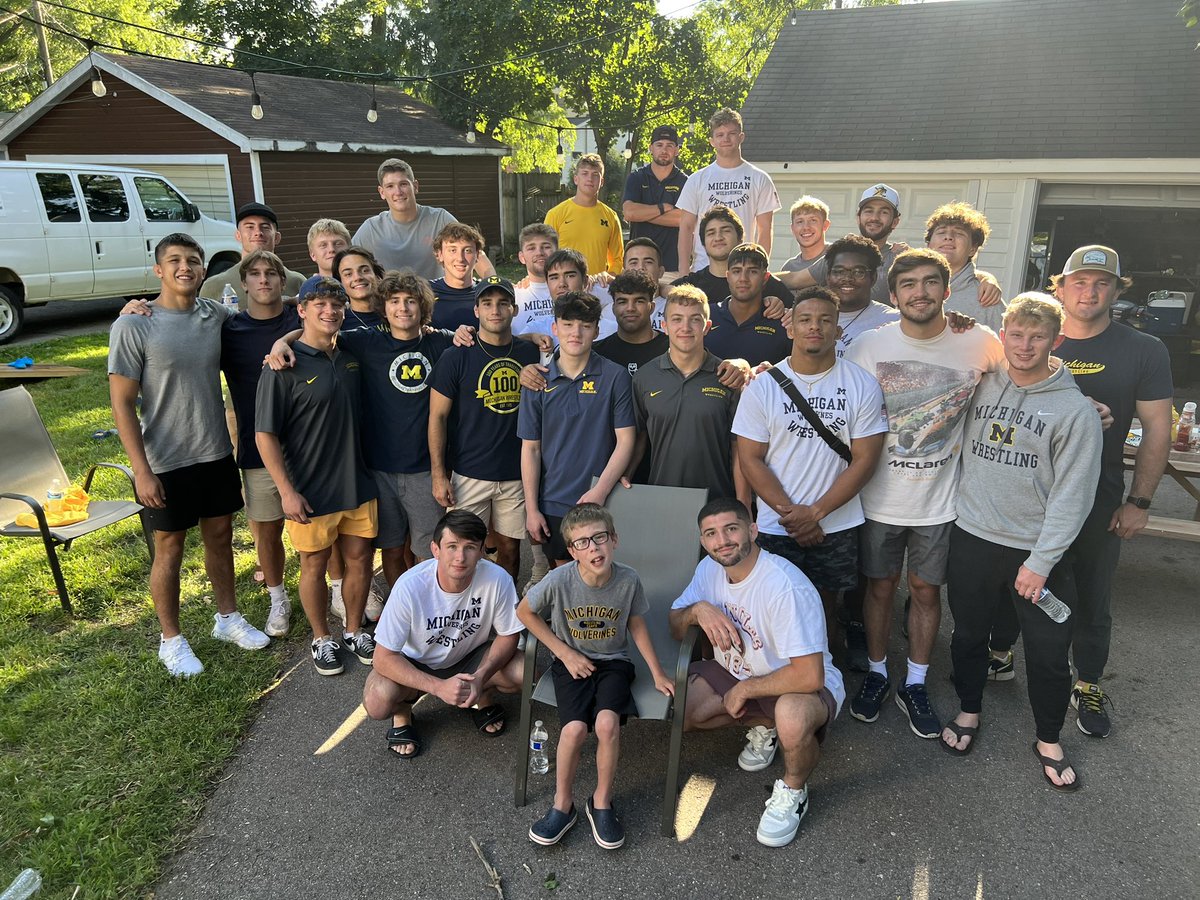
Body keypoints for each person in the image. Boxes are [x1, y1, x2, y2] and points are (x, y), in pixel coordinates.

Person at [987, 246, 1173, 738]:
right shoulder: (1032, 336)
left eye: (1101, 284)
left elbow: (1157, 429)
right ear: (1060, 287)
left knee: (1091, 592)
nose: (1089, 292)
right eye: (1079, 282)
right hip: (1024, 493)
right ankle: (1000, 652)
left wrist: (1139, 502)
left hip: (1098, 496)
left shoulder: (1143, 349)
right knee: (1014, 577)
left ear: (1116, 290)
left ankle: (1087, 681)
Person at [942, 293, 1102, 795]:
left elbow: (1073, 497)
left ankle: (1049, 738)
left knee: (1050, 649)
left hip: (1037, 552)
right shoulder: (981, 386)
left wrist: (1041, 561)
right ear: (1003, 335)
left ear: (1056, 341)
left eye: (1037, 337)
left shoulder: (1074, 412)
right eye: (1016, 334)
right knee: (969, 634)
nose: (1025, 345)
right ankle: (969, 710)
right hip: (972, 536)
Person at [844, 249, 1005, 739]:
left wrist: (1079, 400)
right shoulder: (868, 346)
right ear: (892, 296)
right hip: (877, 498)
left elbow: (1025, 372)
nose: (920, 292)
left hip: (941, 500)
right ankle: (876, 672)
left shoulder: (980, 341)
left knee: (926, 591)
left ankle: (914, 682)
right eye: (908, 284)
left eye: (930, 282)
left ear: (946, 289)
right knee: (879, 588)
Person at [109, 233, 271, 677]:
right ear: (158, 270)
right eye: (175, 261)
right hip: (164, 459)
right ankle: (171, 640)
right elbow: (122, 404)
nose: (186, 267)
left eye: (194, 261)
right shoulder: (134, 325)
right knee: (170, 547)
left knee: (220, 538)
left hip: (214, 450)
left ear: (203, 270)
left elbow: (263, 312)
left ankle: (227, 618)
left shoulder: (215, 315)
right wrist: (141, 472)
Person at [669, 498, 843, 849]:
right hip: (738, 674)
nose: (723, 540)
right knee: (682, 710)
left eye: (732, 528)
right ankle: (765, 726)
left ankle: (794, 791)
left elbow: (810, 676)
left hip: (797, 685)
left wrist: (747, 688)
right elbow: (674, 624)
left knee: (791, 715)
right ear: (703, 542)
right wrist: (698, 611)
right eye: (712, 534)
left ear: (753, 529)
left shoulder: (783, 586)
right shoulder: (709, 569)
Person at [734, 285, 888, 657]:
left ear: (838, 330)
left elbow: (866, 458)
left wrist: (815, 513)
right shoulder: (762, 387)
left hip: (835, 524)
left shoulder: (861, 384)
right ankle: (776, 689)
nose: (814, 327)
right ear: (790, 327)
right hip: (777, 524)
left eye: (824, 320)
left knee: (826, 611)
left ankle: (824, 688)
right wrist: (793, 515)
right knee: (772, 610)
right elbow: (750, 457)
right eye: (804, 320)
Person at [517, 503, 673, 849]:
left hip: (613, 663)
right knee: (572, 729)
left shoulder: (628, 579)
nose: (593, 548)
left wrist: (658, 672)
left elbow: (636, 623)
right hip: (570, 662)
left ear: (613, 540)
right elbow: (524, 612)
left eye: (599, 538)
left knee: (606, 725)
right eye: (583, 542)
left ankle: (601, 802)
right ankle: (563, 804)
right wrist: (565, 653)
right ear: (572, 551)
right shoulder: (559, 580)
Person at [255, 278, 378, 676]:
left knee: (360, 561)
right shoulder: (282, 367)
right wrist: (287, 492)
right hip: (310, 489)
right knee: (314, 565)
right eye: (319, 303)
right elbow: (265, 435)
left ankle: (355, 630)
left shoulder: (351, 352)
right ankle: (321, 638)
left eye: (336, 303)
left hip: (358, 482)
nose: (330, 310)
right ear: (302, 309)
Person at [362, 510, 524, 758]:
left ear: (482, 551)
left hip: (469, 656)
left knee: (524, 672)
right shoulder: (410, 586)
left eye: (470, 547)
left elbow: (508, 634)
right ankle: (403, 712)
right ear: (435, 549)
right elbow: (383, 658)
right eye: (452, 546)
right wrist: (438, 687)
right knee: (377, 702)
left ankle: (482, 695)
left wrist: (481, 676)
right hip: (415, 662)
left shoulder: (497, 578)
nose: (460, 557)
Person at [428, 276, 540, 581]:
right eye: (487, 303)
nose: (495, 310)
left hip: (515, 472)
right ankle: (465, 611)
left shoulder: (529, 353)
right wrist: (439, 475)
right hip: (468, 471)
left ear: (514, 310)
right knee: (463, 551)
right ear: (475, 310)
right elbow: (437, 417)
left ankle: (503, 608)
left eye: (503, 303)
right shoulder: (455, 356)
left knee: (510, 550)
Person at [518, 291, 635, 565]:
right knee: (566, 587)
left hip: (602, 500)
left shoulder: (615, 376)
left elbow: (626, 440)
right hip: (553, 502)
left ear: (596, 330)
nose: (576, 332)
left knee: (603, 582)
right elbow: (530, 449)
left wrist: (601, 490)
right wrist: (532, 508)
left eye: (585, 325)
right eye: (568, 324)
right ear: (555, 328)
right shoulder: (538, 380)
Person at [219, 251, 301, 637]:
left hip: (307, 445)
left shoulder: (298, 316)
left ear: (283, 283)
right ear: (244, 284)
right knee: (267, 532)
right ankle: (278, 599)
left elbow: (332, 320)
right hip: (257, 451)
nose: (264, 280)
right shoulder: (229, 330)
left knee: (322, 527)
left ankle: (338, 589)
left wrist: (287, 335)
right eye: (256, 274)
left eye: (272, 273)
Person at [778, 184, 1003, 310]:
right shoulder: (841, 255)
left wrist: (985, 279)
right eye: (869, 211)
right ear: (858, 217)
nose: (874, 218)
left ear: (895, 221)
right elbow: (794, 280)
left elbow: (945, 267)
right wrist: (750, 272)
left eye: (884, 212)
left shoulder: (903, 258)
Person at [630, 285, 746, 504]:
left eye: (694, 319)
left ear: (707, 326)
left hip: (717, 501)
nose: (685, 327)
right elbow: (637, 440)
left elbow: (738, 448)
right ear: (664, 326)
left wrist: (742, 502)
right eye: (676, 319)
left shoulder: (727, 377)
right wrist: (624, 478)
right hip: (661, 498)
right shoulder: (644, 377)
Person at [674, 108, 780, 274]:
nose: (726, 139)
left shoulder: (760, 178)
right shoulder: (696, 179)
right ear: (712, 141)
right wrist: (683, 272)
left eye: (731, 133)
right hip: (704, 268)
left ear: (741, 137)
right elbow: (686, 228)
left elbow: (765, 229)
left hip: (744, 270)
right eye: (720, 134)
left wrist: (760, 269)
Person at [352, 158, 495, 280]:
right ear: (382, 192)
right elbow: (345, 263)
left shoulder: (440, 219)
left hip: (437, 302)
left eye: (403, 184)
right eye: (390, 186)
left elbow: (474, 253)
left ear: (415, 186)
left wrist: (495, 284)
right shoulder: (372, 228)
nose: (398, 192)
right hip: (392, 308)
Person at [673, 207, 793, 310]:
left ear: (740, 239)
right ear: (703, 243)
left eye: (725, 231)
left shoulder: (763, 282)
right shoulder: (690, 286)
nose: (718, 237)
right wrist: (665, 289)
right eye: (711, 233)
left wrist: (784, 311)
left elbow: (798, 313)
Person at [703, 243, 791, 368]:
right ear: (727, 276)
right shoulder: (706, 316)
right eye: (736, 271)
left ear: (765, 277)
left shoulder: (783, 323)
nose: (743, 278)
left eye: (753, 271)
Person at [199, 202, 305, 306]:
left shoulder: (298, 282)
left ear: (277, 237)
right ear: (238, 235)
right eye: (250, 227)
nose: (258, 232)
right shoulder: (214, 286)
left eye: (265, 227)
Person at [925, 201, 1006, 332]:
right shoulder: (911, 287)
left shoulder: (987, 298)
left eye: (959, 233)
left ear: (973, 249)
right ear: (928, 245)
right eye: (941, 232)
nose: (948, 237)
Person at [622, 124, 689, 273]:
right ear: (650, 148)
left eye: (669, 146)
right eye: (659, 145)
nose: (664, 150)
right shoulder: (637, 177)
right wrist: (662, 208)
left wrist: (642, 214)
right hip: (638, 266)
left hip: (672, 267)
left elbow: (682, 219)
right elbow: (629, 213)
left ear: (677, 150)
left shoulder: (685, 181)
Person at [544, 153, 624, 275]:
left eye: (595, 175)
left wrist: (608, 278)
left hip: (598, 288)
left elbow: (618, 259)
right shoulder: (556, 214)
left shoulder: (611, 217)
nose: (590, 179)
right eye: (585, 173)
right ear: (576, 179)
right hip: (565, 288)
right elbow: (545, 255)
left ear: (601, 181)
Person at [593, 270, 670, 379]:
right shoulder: (598, 353)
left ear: (652, 307)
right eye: (622, 302)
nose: (630, 308)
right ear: (613, 308)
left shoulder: (671, 349)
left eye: (639, 301)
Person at [429, 222, 487, 331]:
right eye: (452, 250)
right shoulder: (426, 292)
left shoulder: (486, 292)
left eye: (467, 250)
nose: (460, 258)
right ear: (440, 254)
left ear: (477, 255)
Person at [512, 223, 560, 340]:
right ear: (522, 257)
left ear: (558, 253)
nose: (539, 252)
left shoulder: (577, 287)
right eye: (531, 248)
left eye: (546, 246)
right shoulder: (512, 296)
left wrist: (605, 277)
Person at [621, 237, 670, 333]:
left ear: (661, 271)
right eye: (634, 262)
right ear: (623, 272)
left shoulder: (673, 305)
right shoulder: (607, 300)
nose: (641, 268)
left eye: (648, 262)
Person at [333, 246, 386, 331]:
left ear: (376, 275)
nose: (357, 277)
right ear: (340, 282)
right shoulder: (338, 323)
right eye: (348, 274)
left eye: (365, 270)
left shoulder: (397, 312)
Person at [297, 218, 352, 299]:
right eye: (323, 245)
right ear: (312, 255)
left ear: (350, 249)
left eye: (338, 244)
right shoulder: (305, 296)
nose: (331, 249)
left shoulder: (365, 287)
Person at [781, 196, 832, 275]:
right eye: (800, 221)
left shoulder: (837, 256)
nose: (806, 227)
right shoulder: (789, 268)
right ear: (792, 229)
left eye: (813, 220)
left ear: (825, 225)